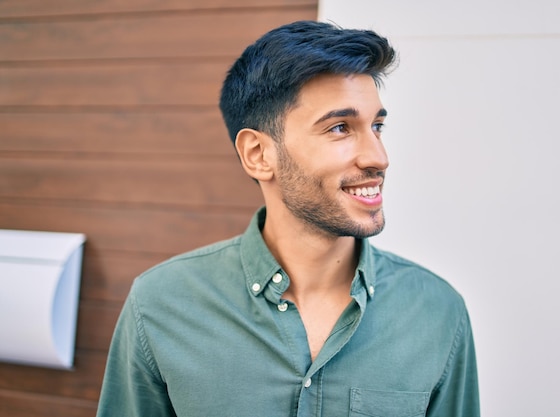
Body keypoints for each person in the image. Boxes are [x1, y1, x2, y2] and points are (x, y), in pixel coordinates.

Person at [96, 20, 480, 417]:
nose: (378, 157)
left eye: (377, 126)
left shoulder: (438, 311)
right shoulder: (161, 304)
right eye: (340, 128)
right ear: (258, 155)